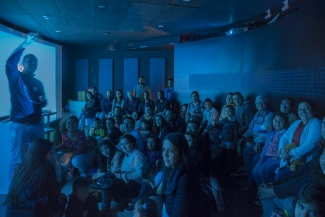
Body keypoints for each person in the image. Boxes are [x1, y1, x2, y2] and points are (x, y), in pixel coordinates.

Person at [6, 33, 47, 180]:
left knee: (39, 158)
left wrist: (42, 100)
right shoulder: (16, 78)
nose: (32, 64)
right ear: (23, 64)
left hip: (36, 125)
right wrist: (25, 43)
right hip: (20, 126)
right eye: (29, 61)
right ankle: (14, 196)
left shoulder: (38, 83)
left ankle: (33, 189)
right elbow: (10, 62)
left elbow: (43, 103)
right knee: (18, 161)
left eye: (34, 62)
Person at [259, 135, 325, 217]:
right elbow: (303, 171)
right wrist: (274, 184)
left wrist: (274, 191)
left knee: (267, 196)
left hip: (313, 200)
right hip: (307, 194)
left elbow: (305, 179)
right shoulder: (319, 158)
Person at [3, 138, 67, 216]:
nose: (54, 155)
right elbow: (57, 192)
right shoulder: (46, 167)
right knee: (63, 197)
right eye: (51, 153)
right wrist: (57, 166)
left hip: (10, 211)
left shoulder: (21, 166)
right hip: (32, 212)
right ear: (42, 153)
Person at [159, 133, 210, 217]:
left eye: (171, 151)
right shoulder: (171, 168)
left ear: (181, 152)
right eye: (164, 149)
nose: (165, 154)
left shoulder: (186, 177)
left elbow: (180, 212)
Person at [231, 95, 275, 188]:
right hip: (255, 141)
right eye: (257, 103)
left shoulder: (270, 114)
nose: (259, 104)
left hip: (265, 144)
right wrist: (243, 137)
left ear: (267, 103)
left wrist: (259, 142)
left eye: (261, 102)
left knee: (255, 158)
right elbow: (251, 128)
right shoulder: (257, 114)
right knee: (246, 151)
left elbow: (267, 132)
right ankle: (248, 177)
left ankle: (250, 182)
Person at [276, 100, 322, 180]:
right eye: (300, 109)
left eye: (306, 108)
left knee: (280, 176)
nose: (303, 111)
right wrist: (282, 149)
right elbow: (285, 137)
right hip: (289, 158)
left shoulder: (316, 123)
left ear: (314, 111)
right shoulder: (296, 122)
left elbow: (310, 144)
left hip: (304, 162)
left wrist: (290, 154)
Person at [101, 134, 147, 212]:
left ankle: (105, 210)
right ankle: (120, 201)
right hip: (127, 181)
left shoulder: (137, 155)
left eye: (126, 143)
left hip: (137, 184)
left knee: (108, 188)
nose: (123, 146)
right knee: (107, 185)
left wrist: (125, 176)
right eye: (121, 144)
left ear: (132, 143)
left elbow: (141, 173)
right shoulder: (127, 154)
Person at [251, 112, 288, 187]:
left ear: (285, 122)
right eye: (275, 120)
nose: (277, 123)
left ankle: (268, 188)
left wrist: (280, 155)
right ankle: (260, 188)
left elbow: (288, 146)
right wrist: (264, 127)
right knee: (255, 172)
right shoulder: (270, 129)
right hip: (266, 154)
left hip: (276, 156)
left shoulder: (287, 132)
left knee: (261, 170)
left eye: (280, 121)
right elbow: (255, 129)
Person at [54, 115, 89, 180]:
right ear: (66, 125)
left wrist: (67, 155)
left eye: (73, 123)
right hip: (72, 155)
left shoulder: (81, 135)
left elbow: (80, 151)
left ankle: (84, 171)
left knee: (75, 161)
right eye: (69, 123)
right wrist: (54, 148)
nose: (71, 125)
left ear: (77, 124)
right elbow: (63, 145)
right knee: (60, 157)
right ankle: (70, 170)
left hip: (83, 155)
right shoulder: (64, 134)